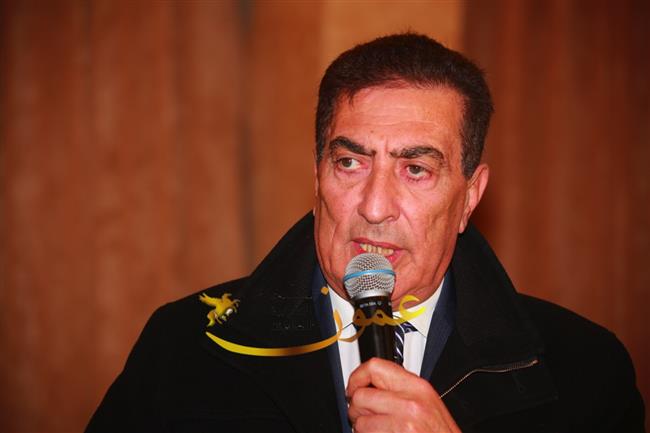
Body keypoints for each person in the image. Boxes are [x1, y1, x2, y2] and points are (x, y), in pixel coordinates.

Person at [86, 33, 645, 433]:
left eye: (416, 169)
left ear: (470, 196)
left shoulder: (587, 370)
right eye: (350, 163)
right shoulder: (183, 349)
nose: (375, 207)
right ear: (317, 178)